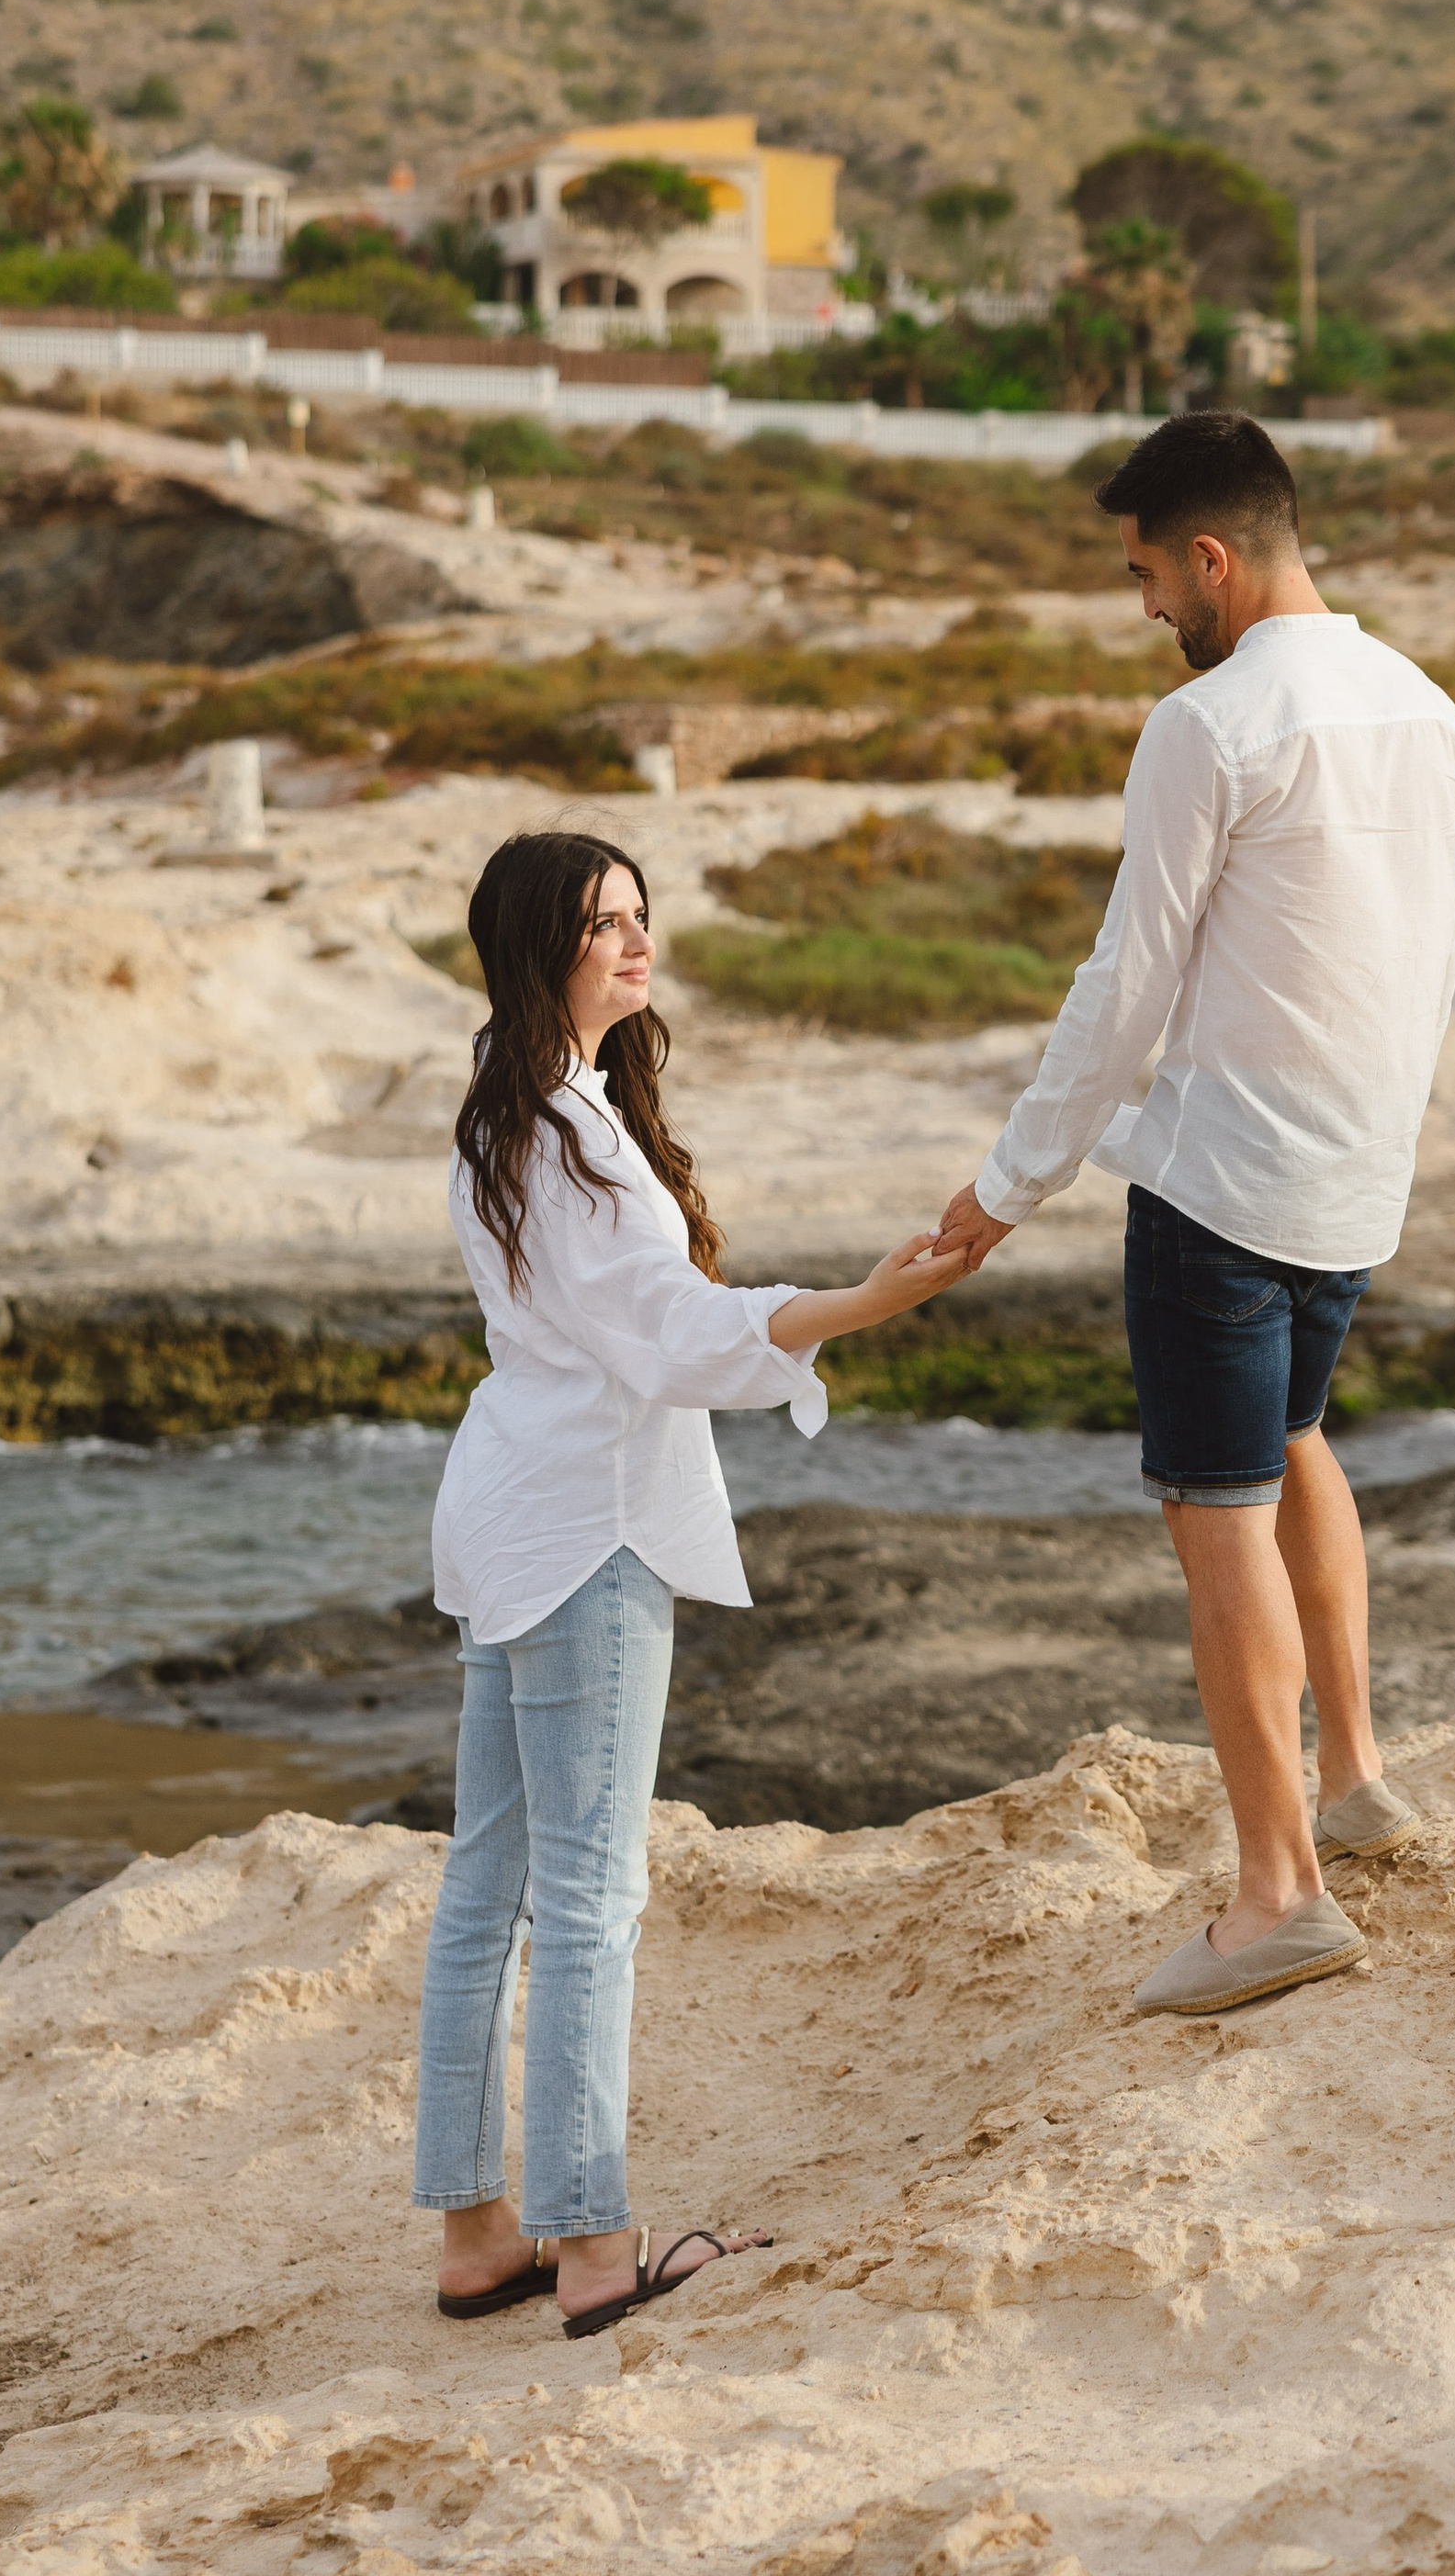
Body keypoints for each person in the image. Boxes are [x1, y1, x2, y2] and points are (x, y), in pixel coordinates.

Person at [935, 411, 1455, 2018]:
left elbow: (1126, 991)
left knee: (1218, 1507)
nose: (1148, 610)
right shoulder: (1431, 709)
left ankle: (1277, 1894)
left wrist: (1004, 1187)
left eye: (1149, 576)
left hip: (1224, 1190)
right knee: (1301, 1433)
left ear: (1214, 557)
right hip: (1354, 1180)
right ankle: (1358, 1777)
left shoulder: (1214, 725)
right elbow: (1420, 968)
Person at [415, 827, 970, 2338]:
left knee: (488, 1887)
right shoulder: (569, 1136)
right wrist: (861, 1303)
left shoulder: (512, 1115)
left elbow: (637, 1323)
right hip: (587, 1526)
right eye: (604, 924)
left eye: (642, 916)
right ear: (545, 948)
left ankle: (479, 2237)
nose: (636, 943)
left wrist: (832, 1304)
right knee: (589, 1899)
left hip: (514, 1515)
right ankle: (593, 2248)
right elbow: (667, 1337)